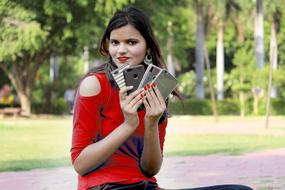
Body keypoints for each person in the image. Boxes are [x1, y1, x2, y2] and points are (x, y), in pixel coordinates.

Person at [71, 6, 253, 190]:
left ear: (147, 46)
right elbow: (80, 164)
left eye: (131, 42)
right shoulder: (94, 85)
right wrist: (128, 125)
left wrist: (151, 123)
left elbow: (150, 170)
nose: (121, 50)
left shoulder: (157, 87)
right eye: (115, 42)